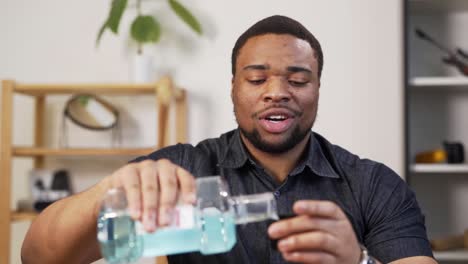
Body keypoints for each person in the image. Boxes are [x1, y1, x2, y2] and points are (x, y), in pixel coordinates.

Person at [21, 15, 436, 264]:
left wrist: (358, 260)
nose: (277, 91)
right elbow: (38, 257)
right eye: (257, 78)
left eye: (297, 79)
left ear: (318, 88)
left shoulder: (372, 185)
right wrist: (106, 192)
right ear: (234, 88)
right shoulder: (181, 170)